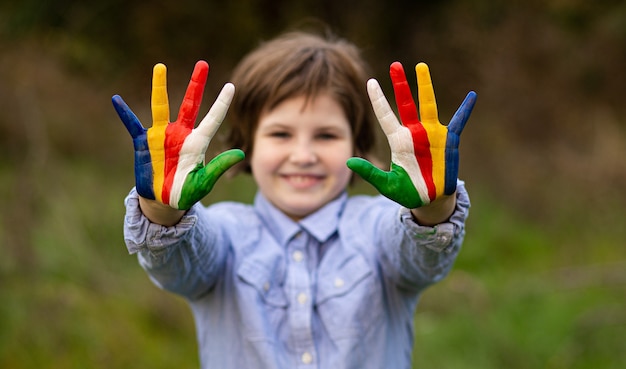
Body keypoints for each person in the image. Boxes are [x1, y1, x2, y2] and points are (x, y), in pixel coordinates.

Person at [112, 30, 476, 369]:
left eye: (326, 135)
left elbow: (421, 259)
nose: (303, 155)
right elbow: (177, 264)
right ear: (249, 145)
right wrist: (161, 208)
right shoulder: (225, 233)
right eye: (281, 133)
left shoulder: (379, 226)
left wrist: (431, 206)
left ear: (358, 144)